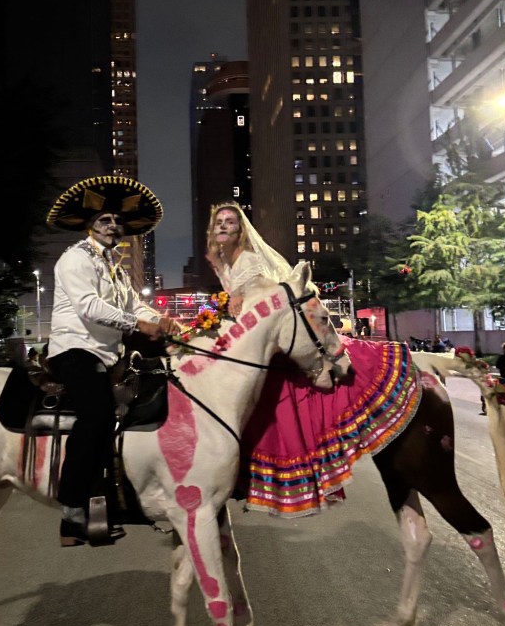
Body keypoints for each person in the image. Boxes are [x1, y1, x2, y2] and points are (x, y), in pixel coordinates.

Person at [204, 202, 421, 518]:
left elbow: (270, 304)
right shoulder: (228, 263)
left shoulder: (248, 260)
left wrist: (240, 301)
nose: (224, 226)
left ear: (241, 228)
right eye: (219, 222)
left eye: (231, 222)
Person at [45, 175, 179, 547]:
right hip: (75, 349)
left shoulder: (116, 268)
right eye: (105, 220)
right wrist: (138, 323)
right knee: (98, 415)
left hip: (108, 354)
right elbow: (88, 307)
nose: (113, 226)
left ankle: (119, 498)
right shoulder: (75, 258)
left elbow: (134, 304)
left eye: (118, 222)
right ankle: (72, 513)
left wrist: (166, 322)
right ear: (90, 224)